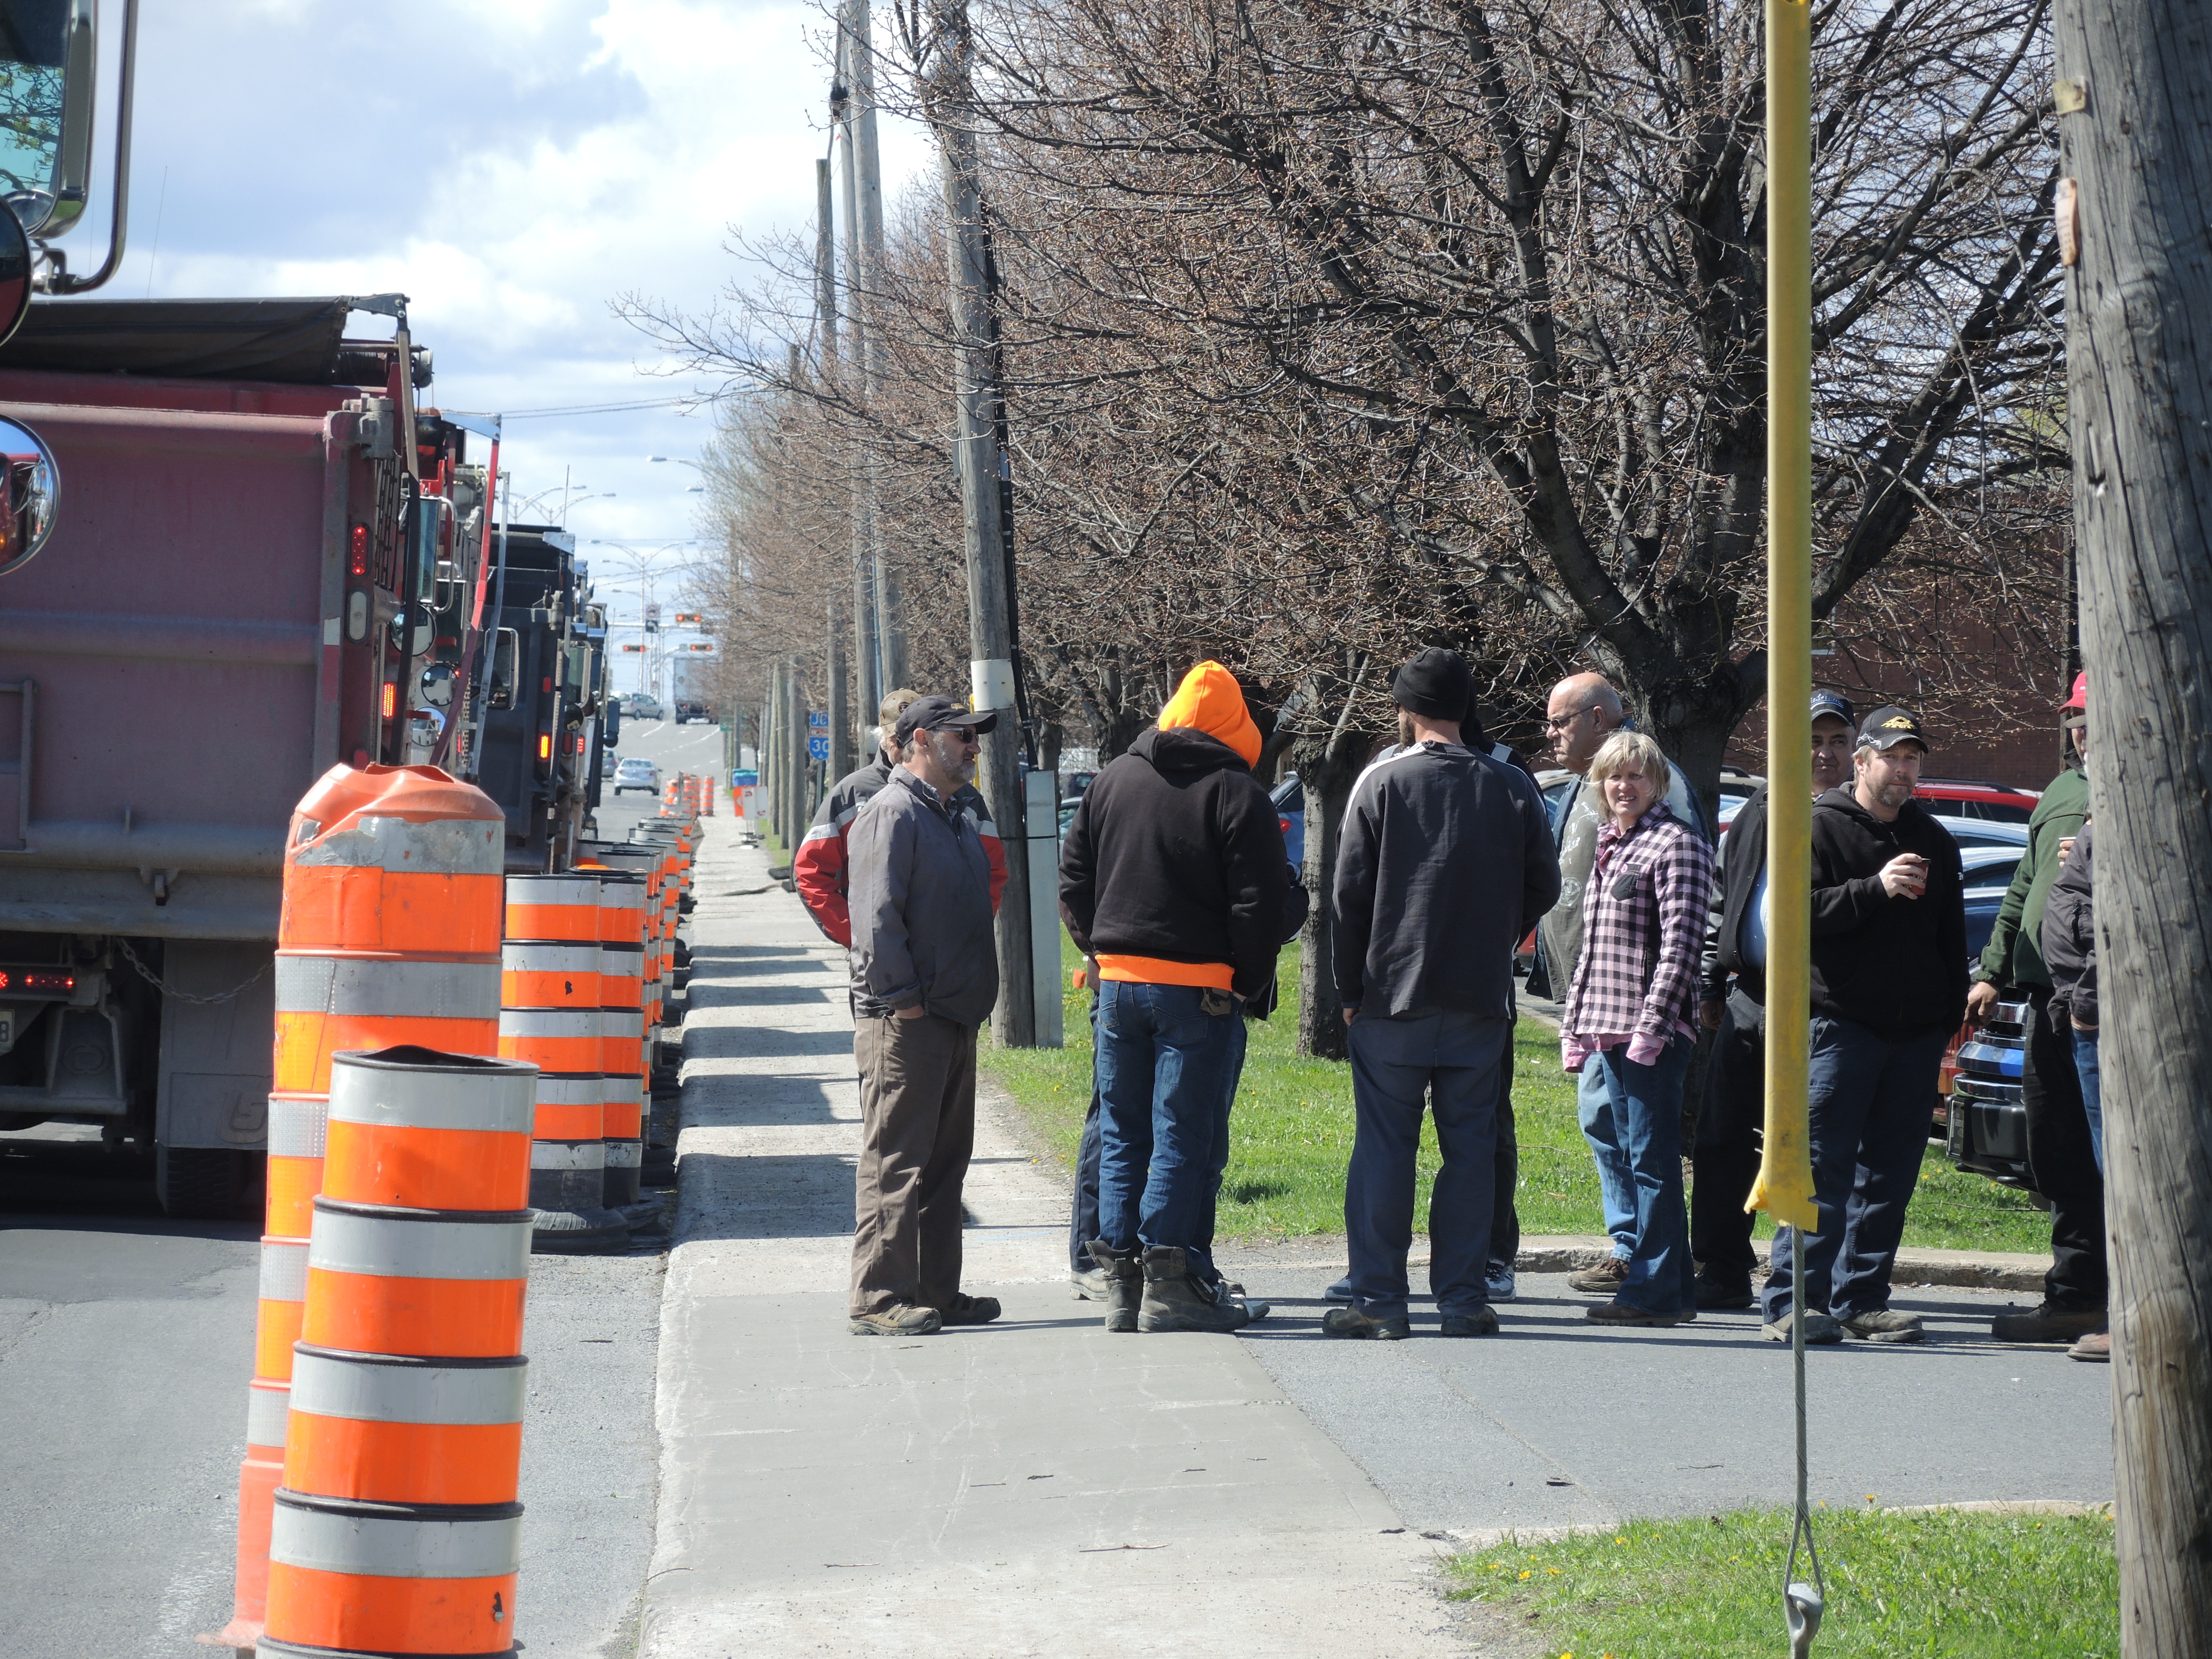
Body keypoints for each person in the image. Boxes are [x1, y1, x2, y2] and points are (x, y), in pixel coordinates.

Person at [1323, 648, 1558, 1339]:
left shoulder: (1380, 782)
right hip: (1479, 999)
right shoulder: (1512, 785)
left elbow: (1347, 897)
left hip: (1391, 994)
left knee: (1384, 1150)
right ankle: (1462, 1298)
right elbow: (1540, 885)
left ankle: (1378, 1300)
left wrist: (1347, 988)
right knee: (1470, 1149)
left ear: (1405, 709)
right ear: (1465, 710)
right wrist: (1497, 930)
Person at [1060, 661, 1295, 1334]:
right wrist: (1244, 979)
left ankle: (1120, 1284)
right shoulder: (1234, 790)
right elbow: (1259, 905)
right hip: (1199, 990)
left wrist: (1100, 950)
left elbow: (1072, 878)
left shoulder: (1113, 778)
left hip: (1118, 985)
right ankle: (1174, 1282)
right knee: (1182, 1137)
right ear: (1234, 725)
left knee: (1123, 1132)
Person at [1761, 706, 1965, 1345]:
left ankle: (1862, 1298)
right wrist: (1873, 889)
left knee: (1890, 1174)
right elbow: (1793, 917)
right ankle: (1792, 1301)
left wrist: (1945, 1017)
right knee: (1820, 1168)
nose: (1902, 770)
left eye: (1912, 759)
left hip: (1914, 1037)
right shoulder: (1818, 827)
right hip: (1840, 1029)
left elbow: (1949, 940)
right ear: (1861, 761)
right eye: (1891, 757)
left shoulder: (1932, 839)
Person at [1534, 671, 1710, 1300]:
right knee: (1608, 1128)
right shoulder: (1607, 823)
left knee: (1647, 1151)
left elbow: (1682, 941)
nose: (1551, 733)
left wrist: (1653, 1026)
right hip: (1599, 1012)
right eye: (1614, 779)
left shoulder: (1669, 831)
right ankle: (1633, 1252)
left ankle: (1651, 1270)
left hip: (1643, 1021)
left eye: (1561, 721)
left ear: (1601, 717)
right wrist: (1575, 1025)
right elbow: (1589, 924)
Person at [844, 695, 1005, 1337]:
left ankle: (935, 1289)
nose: (972, 746)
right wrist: (903, 999)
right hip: (906, 1021)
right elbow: (876, 920)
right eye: (960, 735)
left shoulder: (951, 814)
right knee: (896, 1162)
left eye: (974, 736)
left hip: (952, 1014)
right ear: (918, 741)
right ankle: (878, 1297)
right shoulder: (891, 812)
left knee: (944, 1163)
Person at [1691, 689, 1856, 1310]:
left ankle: (1814, 1281)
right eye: (1812, 740)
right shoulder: (1760, 808)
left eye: (1838, 741)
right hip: (1751, 997)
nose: (1824, 753)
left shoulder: (1857, 817)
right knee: (1721, 1139)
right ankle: (1722, 1268)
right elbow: (1721, 899)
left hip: (1826, 1005)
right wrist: (1710, 979)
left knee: (1818, 1148)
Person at [1970, 674, 2103, 1348]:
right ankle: (2075, 1295)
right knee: (2053, 1150)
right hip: (2042, 999)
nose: (2078, 732)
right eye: (2072, 720)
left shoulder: (2138, 789)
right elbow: (2023, 884)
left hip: (2105, 1002)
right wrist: (1992, 970)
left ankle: (2108, 1297)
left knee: (2106, 1151)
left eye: (2089, 717)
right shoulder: (2059, 792)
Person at [795, 687, 1006, 946]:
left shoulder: (965, 797)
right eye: (896, 737)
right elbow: (811, 873)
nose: (902, 744)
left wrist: (969, 931)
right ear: (882, 738)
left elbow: (993, 872)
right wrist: (858, 937)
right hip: (882, 959)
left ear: (923, 739)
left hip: (951, 959)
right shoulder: (853, 794)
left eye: (907, 736)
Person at [2042, 820, 2105, 1363]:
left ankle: (2145, 1317)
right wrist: (2081, 1004)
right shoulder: (2091, 821)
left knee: (2146, 1181)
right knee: (2112, 1176)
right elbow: (2067, 900)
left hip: (2143, 1018)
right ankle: (2121, 1311)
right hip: (2091, 1017)